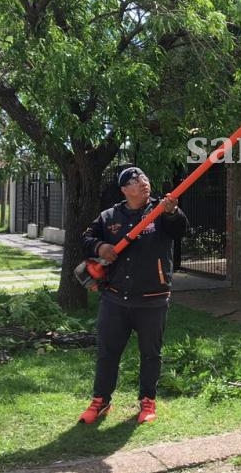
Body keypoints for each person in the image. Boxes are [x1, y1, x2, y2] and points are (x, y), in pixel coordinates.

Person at [78, 166, 189, 425]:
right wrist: (101, 246)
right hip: (115, 298)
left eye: (145, 179)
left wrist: (173, 211)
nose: (143, 183)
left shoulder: (161, 211)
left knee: (151, 353)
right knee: (108, 352)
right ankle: (100, 401)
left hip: (153, 298)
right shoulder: (109, 216)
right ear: (124, 190)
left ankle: (147, 401)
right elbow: (86, 238)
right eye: (135, 180)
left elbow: (180, 230)